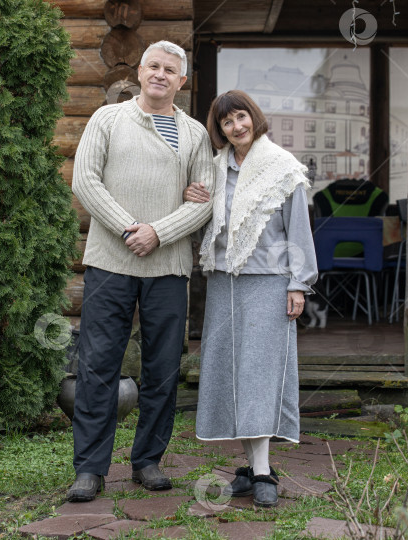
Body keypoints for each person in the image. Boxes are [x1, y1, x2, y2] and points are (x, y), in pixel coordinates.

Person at [67, 41, 214, 502]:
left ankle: (148, 460)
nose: (160, 75)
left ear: (181, 81)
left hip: (167, 266)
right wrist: (130, 229)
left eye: (170, 70)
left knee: (163, 368)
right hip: (110, 262)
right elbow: (85, 180)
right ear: (140, 70)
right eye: (154, 66)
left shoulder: (194, 134)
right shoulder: (107, 119)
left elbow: (205, 201)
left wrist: (158, 233)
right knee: (98, 365)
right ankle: (90, 469)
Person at [183, 90, 317, 507]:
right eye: (227, 122)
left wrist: (298, 283)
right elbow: (206, 227)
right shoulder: (216, 169)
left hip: (269, 283)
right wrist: (192, 200)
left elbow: (298, 229)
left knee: (258, 375)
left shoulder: (282, 167)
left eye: (241, 117)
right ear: (220, 130)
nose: (236, 126)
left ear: (253, 117)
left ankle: (262, 473)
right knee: (231, 374)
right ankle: (253, 469)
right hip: (224, 281)